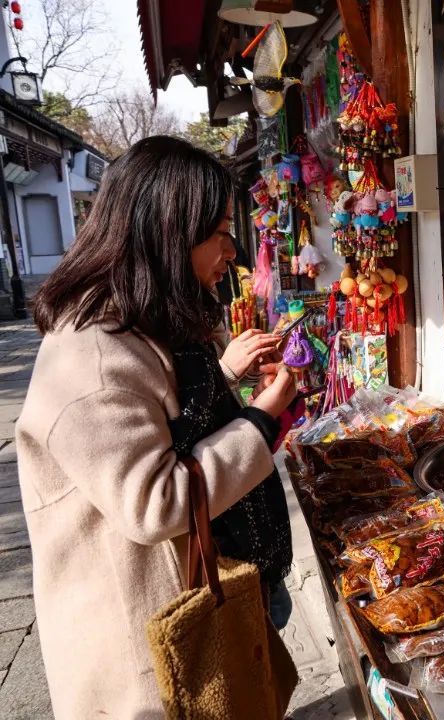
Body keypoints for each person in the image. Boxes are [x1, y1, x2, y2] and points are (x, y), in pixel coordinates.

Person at [16, 136, 298, 719]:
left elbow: (158, 419)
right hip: (153, 638)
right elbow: (153, 502)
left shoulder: (146, 317)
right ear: (167, 230)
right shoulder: (90, 353)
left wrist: (224, 375)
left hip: (214, 588)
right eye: (218, 230)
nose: (232, 248)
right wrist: (262, 419)